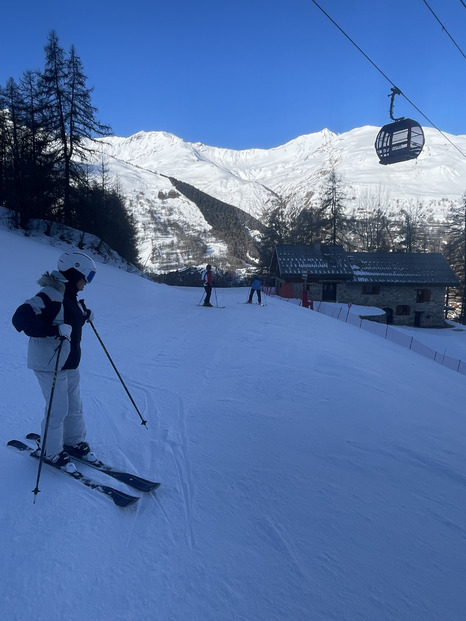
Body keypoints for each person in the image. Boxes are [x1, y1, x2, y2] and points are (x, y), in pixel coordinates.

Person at [12, 250, 97, 472]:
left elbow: (67, 321)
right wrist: (52, 329)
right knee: (58, 409)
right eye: (86, 277)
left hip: (68, 363)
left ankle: (73, 441)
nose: (86, 284)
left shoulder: (69, 297)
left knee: (74, 407)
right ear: (73, 272)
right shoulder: (48, 294)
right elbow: (20, 318)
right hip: (50, 364)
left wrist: (83, 316)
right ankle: (50, 452)